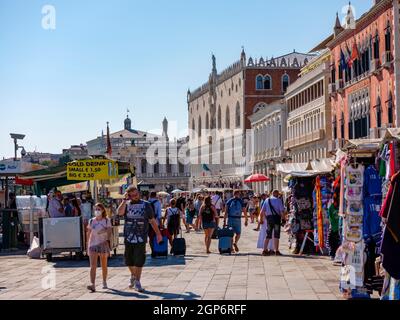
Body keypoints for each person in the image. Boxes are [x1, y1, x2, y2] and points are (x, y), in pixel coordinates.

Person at [117, 186, 163, 293]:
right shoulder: (126, 204)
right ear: (128, 196)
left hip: (141, 237)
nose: (134, 197)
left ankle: (137, 282)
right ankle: (133, 275)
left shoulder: (146, 205)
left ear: (139, 193)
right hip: (128, 237)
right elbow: (119, 212)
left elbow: (152, 221)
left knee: (139, 261)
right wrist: (124, 200)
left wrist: (159, 234)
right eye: (131, 195)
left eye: (136, 194)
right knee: (128, 261)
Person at [86, 203, 112, 292]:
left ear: (102, 210)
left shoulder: (106, 220)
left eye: (98, 209)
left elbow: (109, 231)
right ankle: (92, 284)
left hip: (103, 244)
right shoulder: (91, 221)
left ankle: (104, 281)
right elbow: (88, 233)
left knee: (103, 264)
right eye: (95, 209)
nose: (97, 211)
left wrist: (104, 234)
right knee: (93, 266)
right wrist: (87, 245)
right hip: (93, 245)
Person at [260, 190, 285, 256]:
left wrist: (264, 218)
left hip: (269, 219)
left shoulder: (266, 200)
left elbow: (262, 212)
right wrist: (283, 219)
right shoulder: (278, 200)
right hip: (276, 219)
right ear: (277, 194)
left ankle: (264, 250)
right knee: (276, 235)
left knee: (268, 234)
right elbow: (282, 211)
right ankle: (276, 251)